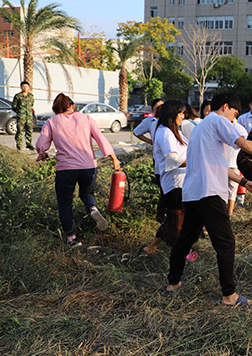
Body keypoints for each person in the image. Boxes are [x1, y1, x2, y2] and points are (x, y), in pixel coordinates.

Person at [165, 91, 252, 306]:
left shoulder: (201, 128)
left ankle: (172, 283)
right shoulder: (217, 120)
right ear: (226, 107)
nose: (233, 120)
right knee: (226, 242)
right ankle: (229, 295)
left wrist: (244, 182)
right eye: (234, 114)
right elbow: (245, 145)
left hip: (193, 193)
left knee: (185, 240)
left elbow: (217, 165)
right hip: (209, 193)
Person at [36, 94, 121, 247]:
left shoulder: (51, 121)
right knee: (87, 193)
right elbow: (101, 138)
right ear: (72, 106)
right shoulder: (86, 118)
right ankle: (92, 208)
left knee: (65, 204)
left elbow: (42, 144)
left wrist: (42, 154)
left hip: (66, 169)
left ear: (55, 109)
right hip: (89, 167)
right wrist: (114, 158)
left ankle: (72, 238)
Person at [143, 100, 188, 254]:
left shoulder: (174, 131)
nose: (183, 116)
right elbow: (172, 159)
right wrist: (195, 163)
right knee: (177, 219)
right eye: (180, 112)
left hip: (181, 182)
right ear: (171, 114)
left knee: (175, 218)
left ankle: (152, 247)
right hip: (174, 183)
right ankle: (177, 252)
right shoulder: (165, 132)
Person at [133, 98, 165, 223]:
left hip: (166, 160)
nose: (160, 108)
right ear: (152, 109)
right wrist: (150, 142)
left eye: (162, 106)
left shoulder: (167, 122)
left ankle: (162, 215)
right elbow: (136, 132)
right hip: (159, 160)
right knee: (164, 189)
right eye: (158, 106)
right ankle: (161, 216)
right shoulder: (151, 122)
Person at [12, 81, 34, 151]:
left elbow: (32, 105)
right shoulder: (18, 96)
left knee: (29, 130)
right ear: (21, 87)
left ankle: (29, 144)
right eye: (23, 86)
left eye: (26, 86)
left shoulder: (31, 96)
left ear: (29, 87)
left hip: (29, 117)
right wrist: (20, 112)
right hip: (21, 116)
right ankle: (19, 145)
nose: (25, 88)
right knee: (20, 131)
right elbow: (14, 106)